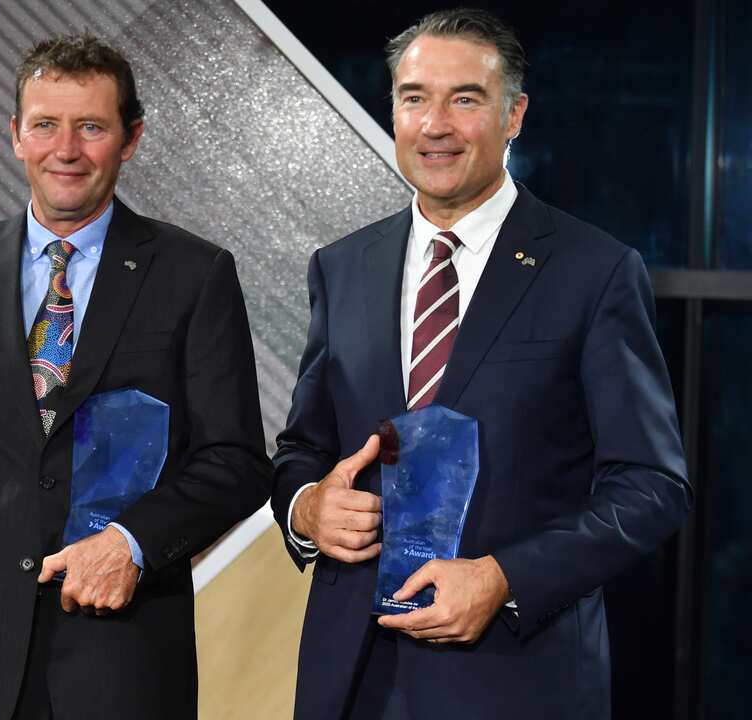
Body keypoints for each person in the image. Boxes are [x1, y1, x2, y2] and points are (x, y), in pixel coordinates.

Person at [271, 9, 691, 719]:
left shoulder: (593, 270)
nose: (435, 125)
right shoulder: (341, 268)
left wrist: (504, 578)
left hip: (516, 679)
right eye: (414, 98)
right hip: (352, 681)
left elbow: (651, 487)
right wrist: (307, 508)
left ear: (514, 115)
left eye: (464, 99)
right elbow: (301, 451)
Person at [0, 32, 271, 720]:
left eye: (91, 127)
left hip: (120, 656)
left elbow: (235, 462)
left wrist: (132, 543)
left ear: (130, 139)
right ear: (15, 135)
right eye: (45, 126)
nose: (65, 150)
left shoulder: (194, 274)